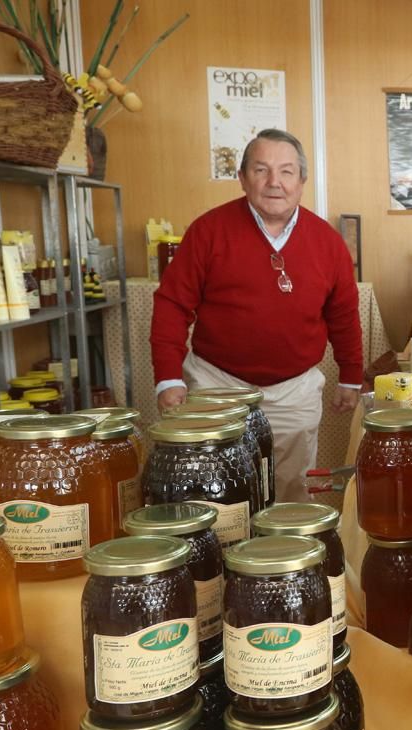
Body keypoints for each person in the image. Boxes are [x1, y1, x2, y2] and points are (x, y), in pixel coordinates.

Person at [151, 128, 363, 503]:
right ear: (243, 178)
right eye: (261, 170)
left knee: (291, 490)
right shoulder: (208, 231)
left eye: (286, 171)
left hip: (293, 390)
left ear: (302, 180)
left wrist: (350, 374)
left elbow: (344, 313)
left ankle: (283, 561)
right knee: (212, 487)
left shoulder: (327, 241)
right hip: (216, 384)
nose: (274, 183)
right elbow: (172, 303)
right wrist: (168, 378)